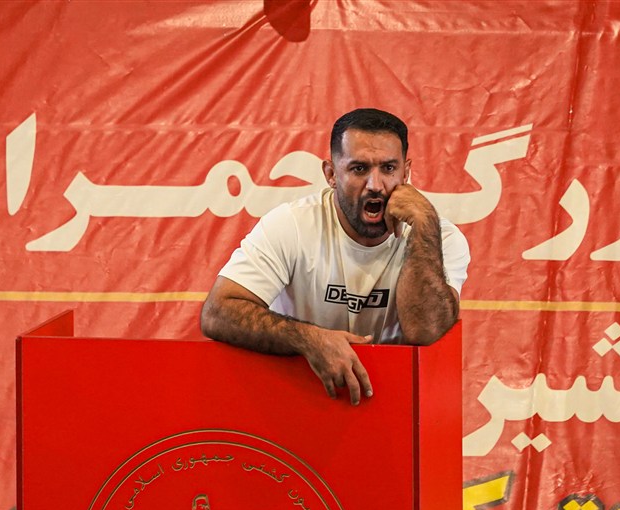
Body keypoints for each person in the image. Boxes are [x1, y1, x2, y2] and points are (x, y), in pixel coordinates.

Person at [200, 108, 469, 405]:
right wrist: (309, 339)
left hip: (394, 404)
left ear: (405, 172)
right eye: (359, 169)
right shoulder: (292, 225)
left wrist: (424, 224)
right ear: (331, 174)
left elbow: (426, 330)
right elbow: (217, 312)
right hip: (295, 396)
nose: (375, 185)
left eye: (388, 168)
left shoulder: (439, 238)